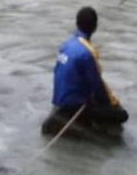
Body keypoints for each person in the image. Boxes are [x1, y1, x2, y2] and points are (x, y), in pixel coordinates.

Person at [42, 7, 129, 137]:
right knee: (122, 115)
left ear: (76, 23)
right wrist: (112, 106)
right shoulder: (87, 53)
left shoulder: (66, 45)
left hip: (59, 100)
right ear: (95, 27)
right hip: (74, 105)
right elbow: (98, 87)